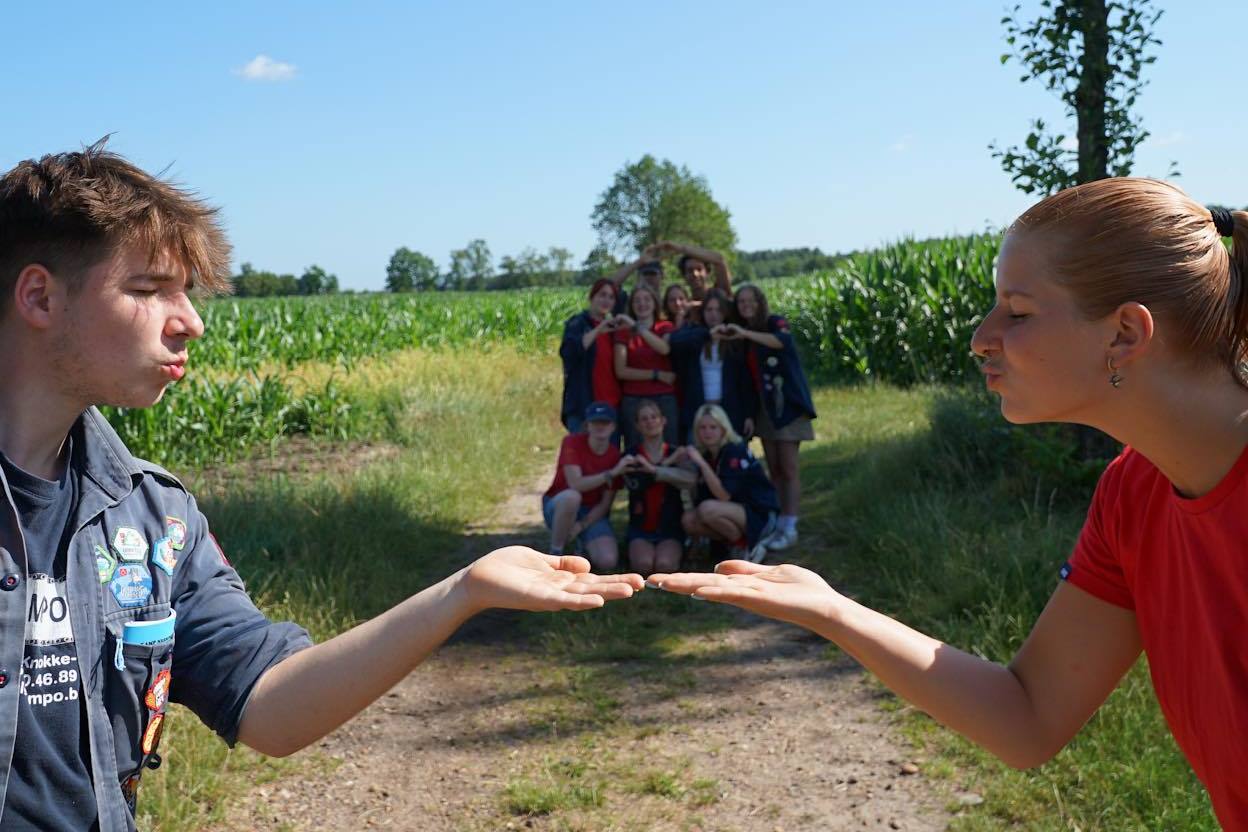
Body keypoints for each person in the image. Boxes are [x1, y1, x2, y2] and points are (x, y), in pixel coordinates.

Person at [0, 143, 644, 831]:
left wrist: (462, 593)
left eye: (185, 291)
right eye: (150, 289)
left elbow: (269, 706)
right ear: (40, 296)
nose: (191, 321)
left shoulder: (156, 519)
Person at [649, 179, 1248, 829]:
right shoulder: (1133, 494)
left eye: (1017, 313)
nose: (981, 337)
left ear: (1126, 333)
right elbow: (1028, 716)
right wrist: (831, 609)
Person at [726, 283, 816, 551]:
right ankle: (778, 520)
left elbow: (782, 342)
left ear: (759, 301)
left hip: (786, 405)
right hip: (765, 410)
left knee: (788, 467)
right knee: (774, 468)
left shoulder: (774, 323)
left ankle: (790, 523)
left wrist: (745, 332)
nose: (745, 306)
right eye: (740, 302)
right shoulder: (743, 336)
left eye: (749, 301)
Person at [676, 404, 778, 565]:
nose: (707, 432)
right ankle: (734, 545)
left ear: (723, 429)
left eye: (713, 427)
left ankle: (747, 547)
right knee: (689, 519)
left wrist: (701, 463)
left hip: (760, 514)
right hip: (731, 512)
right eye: (702, 428)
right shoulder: (708, 453)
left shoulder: (735, 450)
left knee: (706, 509)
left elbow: (724, 495)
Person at [541, 402, 634, 570]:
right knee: (572, 497)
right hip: (559, 505)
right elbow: (576, 484)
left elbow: (605, 504)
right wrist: (611, 474)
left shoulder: (614, 455)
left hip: (592, 512)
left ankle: (582, 545)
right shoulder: (572, 443)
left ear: (613, 427)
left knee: (608, 561)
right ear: (587, 425)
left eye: (605, 422)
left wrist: (581, 525)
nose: (600, 427)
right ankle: (555, 553)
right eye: (595, 422)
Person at [667, 287, 758, 442]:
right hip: (698, 410)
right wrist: (707, 334)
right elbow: (674, 342)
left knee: (730, 460)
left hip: (729, 410)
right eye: (709, 309)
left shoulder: (734, 338)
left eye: (718, 309)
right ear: (703, 312)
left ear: (725, 312)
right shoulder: (695, 334)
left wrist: (749, 414)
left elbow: (745, 381)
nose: (713, 314)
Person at [621, 400, 695, 576]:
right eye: (644, 419)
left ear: (663, 421)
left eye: (654, 417)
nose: (650, 422)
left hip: (670, 527)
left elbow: (690, 480)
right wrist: (668, 468)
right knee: (644, 566)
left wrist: (656, 469)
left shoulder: (676, 452)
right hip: (641, 527)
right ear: (638, 426)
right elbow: (638, 482)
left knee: (665, 566)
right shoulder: (631, 455)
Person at [613, 285, 679, 449]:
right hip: (633, 398)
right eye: (637, 300)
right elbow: (621, 371)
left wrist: (638, 328)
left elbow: (664, 349)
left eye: (647, 299)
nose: (642, 304)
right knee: (636, 448)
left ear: (655, 303)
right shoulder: (623, 332)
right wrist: (656, 375)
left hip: (663, 397)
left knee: (668, 447)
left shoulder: (665, 327)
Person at [559, 279, 624, 434]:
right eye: (602, 295)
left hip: (611, 404)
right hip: (584, 405)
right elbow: (569, 353)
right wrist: (597, 331)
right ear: (592, 297)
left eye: (611, 297)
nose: (606, 300)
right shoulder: (578, 323)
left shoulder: (614, 328)